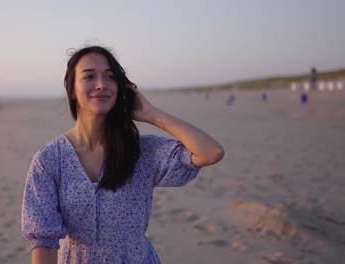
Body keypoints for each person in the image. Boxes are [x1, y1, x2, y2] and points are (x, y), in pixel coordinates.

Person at [21, 45, 224, 263]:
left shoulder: (141, 151)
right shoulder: (50, 159)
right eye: (89, 76)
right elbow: (43, 243)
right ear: (72, 89)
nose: (101, 85)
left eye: (110, 77)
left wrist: (151, 114)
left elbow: (211, 152)